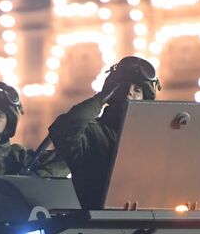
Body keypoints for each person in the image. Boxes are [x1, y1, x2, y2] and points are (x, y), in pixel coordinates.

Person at [47, 56, 161, 209]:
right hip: (98, 219)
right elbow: (65, 130)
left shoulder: (151, 141)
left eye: (137, 90)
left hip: (144, 217)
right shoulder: (91, 132)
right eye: (123, 87)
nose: (129, 93)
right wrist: (101, 97)